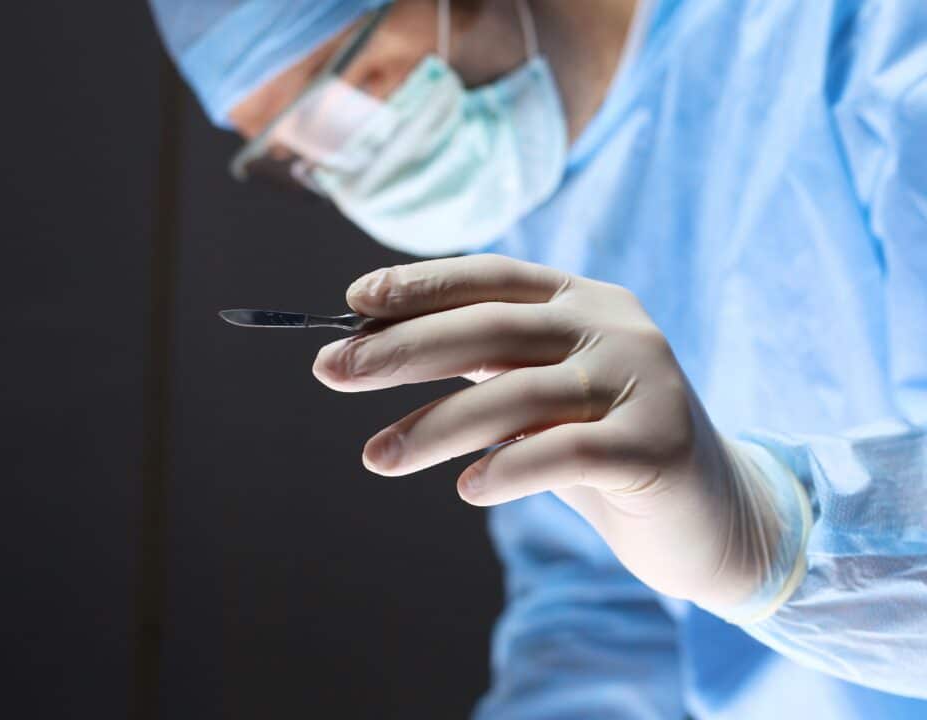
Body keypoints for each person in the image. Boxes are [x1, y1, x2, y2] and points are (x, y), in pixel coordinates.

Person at [149, 1, 927, 717]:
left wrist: (784, 534)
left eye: (338, 89)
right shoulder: (522, 256)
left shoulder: (871, 43)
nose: (337, 165)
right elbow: (605, 609)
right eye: (290, 152)